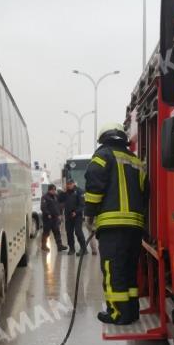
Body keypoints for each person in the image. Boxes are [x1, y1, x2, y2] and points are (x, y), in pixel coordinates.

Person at [84, 123, 148, 325]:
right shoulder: (135, 160)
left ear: (103, 138)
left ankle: (117, 313)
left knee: (113, 270)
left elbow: (94, 187)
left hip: (113, 226)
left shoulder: (102, 156)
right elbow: (146, 191)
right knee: (129, 270)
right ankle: (131, 311)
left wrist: (89, 215)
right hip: (135, 226)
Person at [61, 179, 88, 256]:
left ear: (73, 184)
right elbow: (59, 200)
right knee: (69, 233)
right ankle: (72, 249)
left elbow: (82, 205)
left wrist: (76, 212)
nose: (68, 185)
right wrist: (63, 192)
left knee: (78, 232)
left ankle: (83, 248)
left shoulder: (79, 191)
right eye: (67, 184)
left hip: (77, 216)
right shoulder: (66, 192)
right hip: (68, 216)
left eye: (70, 184)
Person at [40, 184, 66, 252]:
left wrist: (59, 214)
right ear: (49, 190)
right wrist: (48, 214)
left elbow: (58, 206)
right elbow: (43, 207)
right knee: (46, 233)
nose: (54, 191)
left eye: (54, 190)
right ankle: (43, 246)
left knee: (57, 232)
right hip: (48, 218)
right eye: (52, 190)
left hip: (55, 218)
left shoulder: (56, 196)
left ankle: (59, 246)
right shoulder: (45, 197)